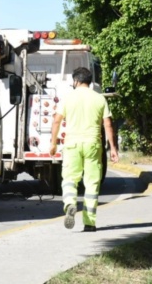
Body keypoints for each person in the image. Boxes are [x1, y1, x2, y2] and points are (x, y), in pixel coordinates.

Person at [49, 67, 119, 232]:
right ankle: (89, 223)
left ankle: (70, 204)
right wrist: (113, 148)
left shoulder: (68, 98)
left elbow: (56, 121)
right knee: (92, 183)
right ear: (90, 81)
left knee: (69, 179)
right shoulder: (99, 98)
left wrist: (53, 143)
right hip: (93, 144)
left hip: (72, 144)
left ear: (75, 81)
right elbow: (108, 124)